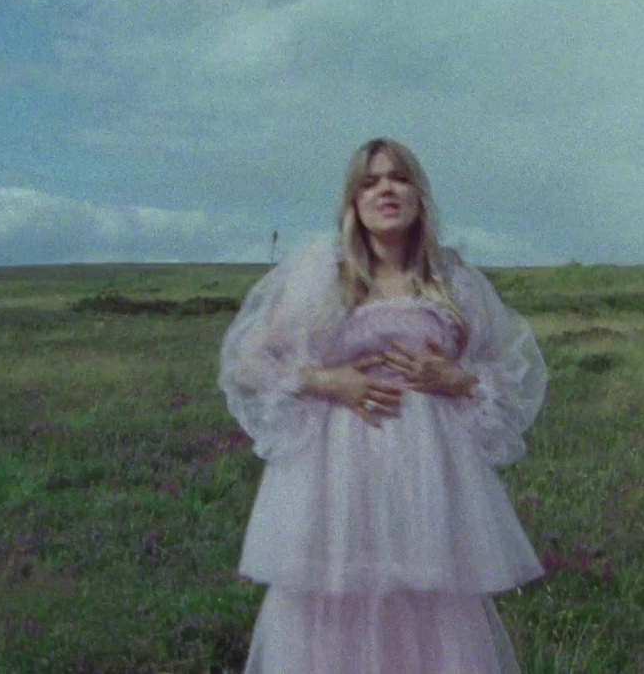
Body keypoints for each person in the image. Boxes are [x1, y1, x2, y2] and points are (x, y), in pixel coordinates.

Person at [219, 137, 550, 673]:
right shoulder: (320, 273)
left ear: (419, 194)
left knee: (427, 602)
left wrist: (457, 379)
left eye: (397, 178)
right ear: (352, 201)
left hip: (428, 475)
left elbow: (515, 373)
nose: (385, 190)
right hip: (336, 474)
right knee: (333, 601)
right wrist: (327, 380)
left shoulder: (452, 279)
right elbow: (248, 365)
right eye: (369, 182)